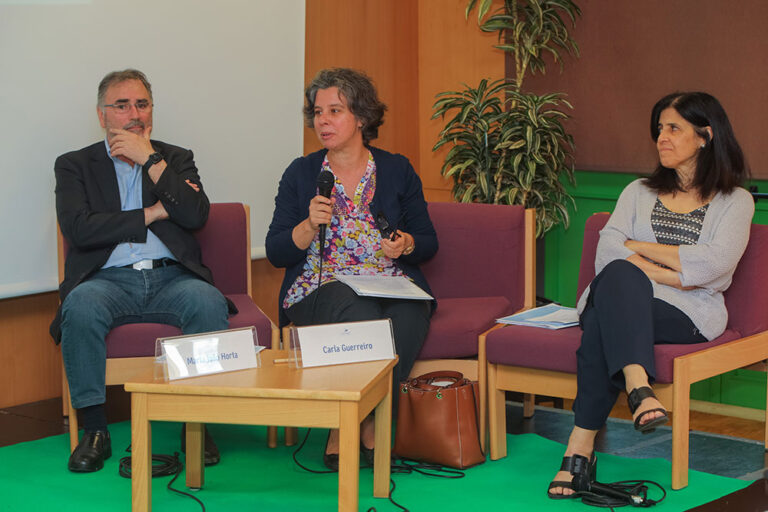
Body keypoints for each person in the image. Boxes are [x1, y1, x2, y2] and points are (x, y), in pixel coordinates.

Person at [548, 92, 753, 499]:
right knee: (620, 278)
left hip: (688, 312)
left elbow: (714, 265)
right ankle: (639, 387)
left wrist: (644, 253)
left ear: (705, 136)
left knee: (607, 321)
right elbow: (608, 251)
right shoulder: (639, 191)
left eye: (674, 128)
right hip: (621, 296)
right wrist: (678, 268)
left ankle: (579, 451)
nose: (662, 137)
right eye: (659, 128)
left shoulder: (735, 201)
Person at [51, 69, 233, 472]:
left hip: (173, 277)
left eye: (142, 104)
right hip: (106, 281)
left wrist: (149, 160)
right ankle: (95, 432)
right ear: (102, 116)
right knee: (78, 308)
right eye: (122, 105)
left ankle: (196, 425)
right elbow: (79, 229)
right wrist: (151, 213)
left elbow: (195, 214)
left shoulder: (175, 158)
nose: (134, 114)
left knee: (207, 302)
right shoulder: (74, 165)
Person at [266, 68, 438, 470]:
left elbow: (427, 242)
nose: (322, 120)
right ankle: (349, 427)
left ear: (361, 117)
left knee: (412, 310)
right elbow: (276, 251)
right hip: (319, 285)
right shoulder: (301, 173)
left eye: (335, 111)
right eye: (317, 112)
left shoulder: (397, 169)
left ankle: (367, 423)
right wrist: (308, 226)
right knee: (355, 308)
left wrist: (405, 244)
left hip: (389, 281)